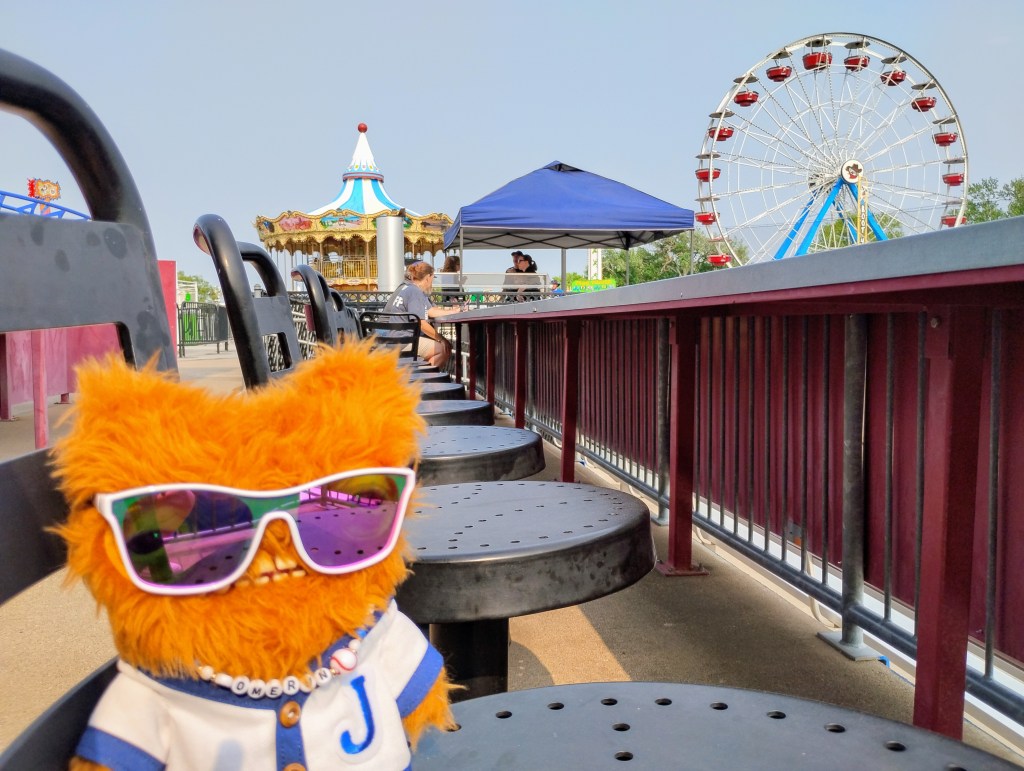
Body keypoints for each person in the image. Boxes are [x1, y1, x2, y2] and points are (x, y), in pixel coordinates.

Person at [381, 261, 463, 367]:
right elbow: (421, 324)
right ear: (428, 277)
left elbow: (430, 310)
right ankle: (422, 376)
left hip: (394, 339)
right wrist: (441, 339)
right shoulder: (415, 292)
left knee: (438, 346)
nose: (432, 282)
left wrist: (452, 311)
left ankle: (420, 373)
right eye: (432, 278)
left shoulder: (409, 288)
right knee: (443, 349)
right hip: (403, 340)